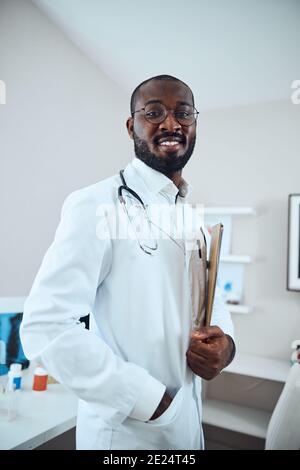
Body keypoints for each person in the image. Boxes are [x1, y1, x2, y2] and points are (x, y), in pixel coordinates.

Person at [20, 74, 235, 450]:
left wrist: (227, 345)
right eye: (154, 112)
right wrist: (146, 400)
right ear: (130, 125)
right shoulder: (97, 204)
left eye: (183, 113)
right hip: (133, 433)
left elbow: (210, 303)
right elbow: (46, 326)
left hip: (185, 426)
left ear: (195, 124)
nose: (171, 123)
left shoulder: (191, 217)